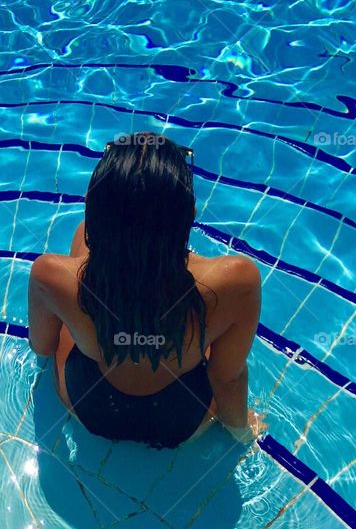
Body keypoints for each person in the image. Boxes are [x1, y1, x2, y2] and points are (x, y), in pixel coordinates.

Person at [28, 132, 264, 447]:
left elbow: (43, 348)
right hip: (183, 417)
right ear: (190, 216)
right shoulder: (236, 280)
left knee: (81, 249)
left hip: (91, 406)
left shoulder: (49, 275)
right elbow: (228, 377)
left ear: (91, 207)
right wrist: (241, 433)